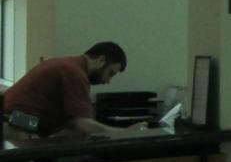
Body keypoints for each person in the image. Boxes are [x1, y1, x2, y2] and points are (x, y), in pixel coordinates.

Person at [2, 41, 150, 143]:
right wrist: (124, 133)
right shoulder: (74, 73)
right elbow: (82, 124)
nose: (108, 81)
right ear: (100, 60)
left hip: (16, 124)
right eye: (110, 73)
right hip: (16, 129)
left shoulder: (67, 65)